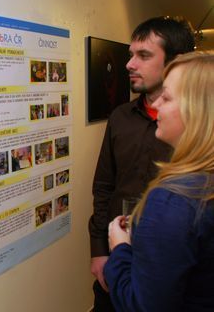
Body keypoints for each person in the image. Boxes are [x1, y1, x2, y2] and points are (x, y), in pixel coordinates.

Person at [88, 16, 195, 311]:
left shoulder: (194, 129)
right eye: (130, 55)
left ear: (177, 62)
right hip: (116, 255)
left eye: (144, 55)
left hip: (168, 265)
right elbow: (103, 187)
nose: (129, 64)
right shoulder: (120, 117)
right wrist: (99, 250)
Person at [105, 51, 214, 311]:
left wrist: (120, 248)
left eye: (166, 97)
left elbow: (142, 306)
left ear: (196, 111)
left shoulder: (174, 199)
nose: (156, 106)